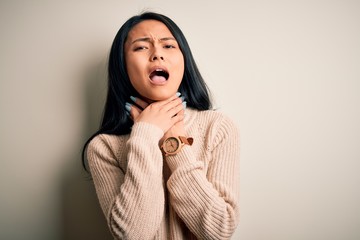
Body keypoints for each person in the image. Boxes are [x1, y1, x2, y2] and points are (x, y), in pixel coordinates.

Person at [82, 11, 240, 240]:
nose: (157, 54)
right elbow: (132, 235)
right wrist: (145, 134)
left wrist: (174, 143)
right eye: (141, 47)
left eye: (168, 46)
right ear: (122, 66)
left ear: (183, 59)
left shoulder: (218, 127)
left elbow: (219, 230)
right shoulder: (103, 147)